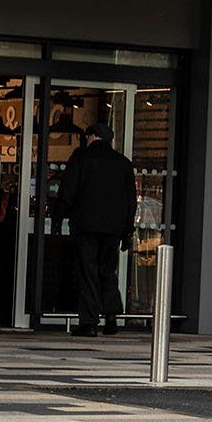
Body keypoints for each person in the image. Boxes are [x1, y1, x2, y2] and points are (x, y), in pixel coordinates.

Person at [53, 121, 135, 337]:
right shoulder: (123, 163)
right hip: (113, 229)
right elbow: (131, 201)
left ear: (91, 136)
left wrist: (57, 219)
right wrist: (128, 231)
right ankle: (111, 316)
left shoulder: (81, 158)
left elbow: (67, 191)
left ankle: (88, 322)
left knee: (87, 271)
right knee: (107, 270)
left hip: (85, 226)